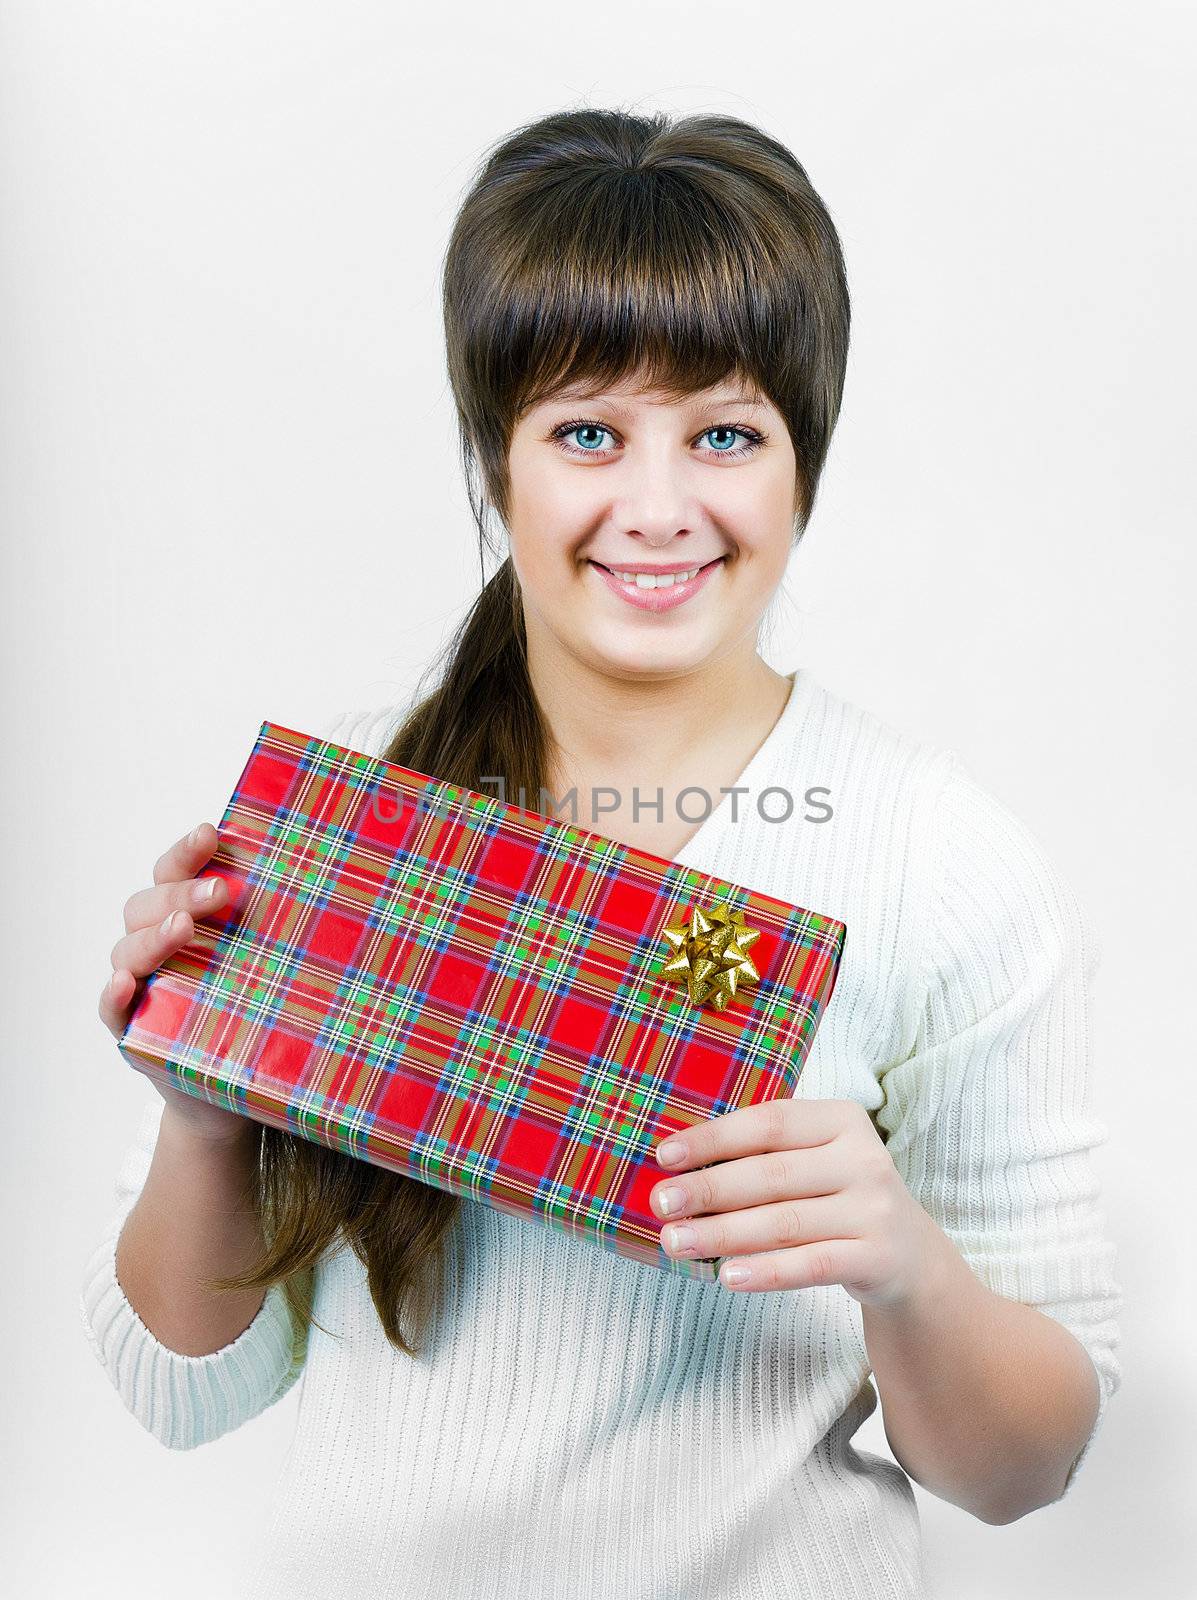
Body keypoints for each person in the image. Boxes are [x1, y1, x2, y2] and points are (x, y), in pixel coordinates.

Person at [81, 106, 1122, 1599]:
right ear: (492, 458)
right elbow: (181, 1392)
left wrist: (900, 1262)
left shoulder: (939, 860)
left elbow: (1021, 1475)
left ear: (799, 464)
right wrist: (200, 1109)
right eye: (584, 431)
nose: (655, 509)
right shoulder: (353, 820)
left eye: (722, 433)